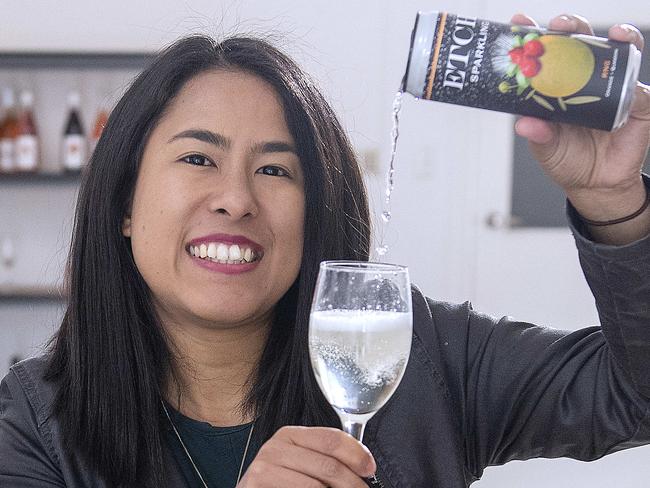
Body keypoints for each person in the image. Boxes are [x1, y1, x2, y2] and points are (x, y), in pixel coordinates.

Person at [1, 12, 649, 488]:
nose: (236, 199)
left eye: (276, 170)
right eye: (198, 157)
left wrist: (614, 199)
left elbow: (634, 398)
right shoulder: (32, 426)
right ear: (123, 202)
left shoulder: (421, 360)